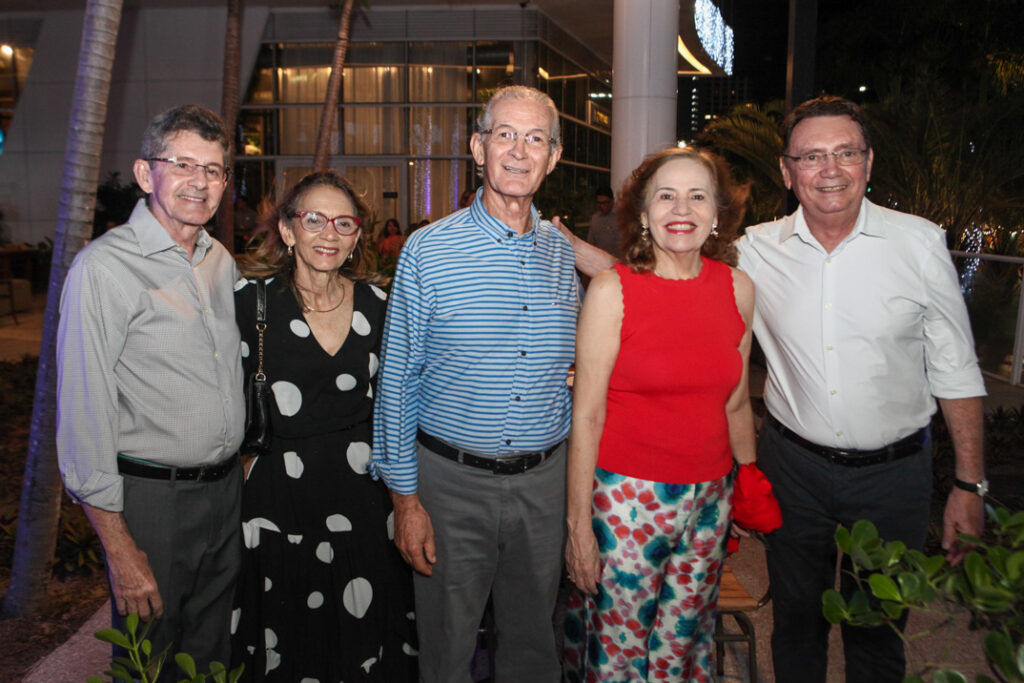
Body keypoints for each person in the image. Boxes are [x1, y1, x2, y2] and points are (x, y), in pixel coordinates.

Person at [736, 95, 986, 683]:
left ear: (868, 163)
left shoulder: (919, 244)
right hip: (792, 467)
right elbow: (669, 281)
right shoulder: (755, 250)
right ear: (787, 171)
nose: (830, 169)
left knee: (879, 629)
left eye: (845, 153)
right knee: (796, 624)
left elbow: (957, 367)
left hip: (893, 476)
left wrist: (969, 484)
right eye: (812, 156)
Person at [371, 85, 578, 683]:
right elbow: (398, 382)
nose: (519, 151)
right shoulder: (428, 251)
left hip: (543, 485)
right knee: (447, 649)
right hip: (449, 488)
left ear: (554, 156)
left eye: (535, 138)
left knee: (536, 650)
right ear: (477, 147)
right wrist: (405, 502)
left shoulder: (565, 256)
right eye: (505, 135)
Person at [56, 104, 243, 676]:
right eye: (183, 164)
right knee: (148, 660)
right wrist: (119, 547)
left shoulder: (219, 262)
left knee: (211, 656)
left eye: (212, 170)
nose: (199, 182)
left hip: (223, 495)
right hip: (151, 504)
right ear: (145, 174)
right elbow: (84, 415)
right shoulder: (104, 270)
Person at [563, 148, 757, 682]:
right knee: (620, 652)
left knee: (685, 643)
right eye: (666, 195)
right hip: (627, 503)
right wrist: (579, 527)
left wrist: (750, 482)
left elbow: (737, 399)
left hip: (710, 500)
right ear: (644, 214)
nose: (682, 208)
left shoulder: (738, 289)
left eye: (698, 196)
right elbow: (587, 417)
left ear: (717, 214)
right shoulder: (612, 291)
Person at [230, 171, 418, 681]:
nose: (328, 233)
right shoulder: (249, 305)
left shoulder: (383, 308)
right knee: (288, 636)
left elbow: (403, 402)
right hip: (277, 505)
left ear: (357, 237)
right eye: (313, 220)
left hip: (365, 502)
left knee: (362, 636)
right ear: (288, 231)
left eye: (343, 223)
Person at [585, 185, 620, 257]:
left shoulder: (621, 217)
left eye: (605, 203)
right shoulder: (595, 219)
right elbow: (590, 242)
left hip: (617, 261)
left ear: (612, 201)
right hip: (599, 260)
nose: (602, 206)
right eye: (599, 203)